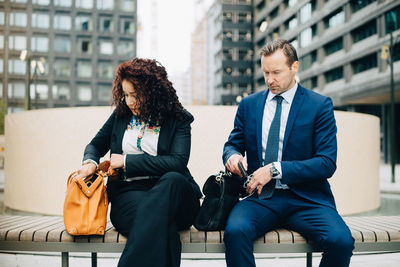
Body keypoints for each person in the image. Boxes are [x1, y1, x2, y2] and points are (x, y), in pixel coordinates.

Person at [223, 39, 354, 267]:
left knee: (341, 241)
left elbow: (326, 163)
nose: (269, 80)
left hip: (308, 199)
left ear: (295, 67)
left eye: (276, 72)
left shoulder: (319, 105)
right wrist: (232, 156)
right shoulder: (248, 105)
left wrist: (275, 170)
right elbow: (232, 144)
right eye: (265, 73)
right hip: (260, 199)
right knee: (235, 232)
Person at [74, 58, 202, 267]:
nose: (129, 101)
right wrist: (89, 162)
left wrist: (126, 161)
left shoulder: (178, 119)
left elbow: (177, 163)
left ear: (153, 92)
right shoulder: (121, 116)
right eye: (125, 95)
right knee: (165, 231)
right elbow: (95, 145)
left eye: (135, 95)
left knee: (173, 179)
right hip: (129, 195)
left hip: (176, 198)